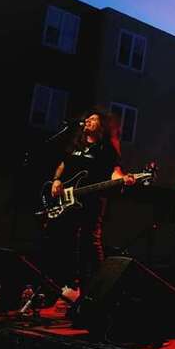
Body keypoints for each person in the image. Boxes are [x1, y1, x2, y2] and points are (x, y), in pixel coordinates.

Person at [46, 109, 136, 304]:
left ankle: (97, 288)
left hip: (92, 200)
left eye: (93, 119)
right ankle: (69, 285)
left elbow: (114, 171)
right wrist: (56, 180)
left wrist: (123, 179)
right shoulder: (75, 143)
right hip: (68, 200)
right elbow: (63, 164)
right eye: (87, 118)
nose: (88, 120)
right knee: (64, 240)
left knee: (90, 241)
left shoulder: (106, 148)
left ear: (102, 126)